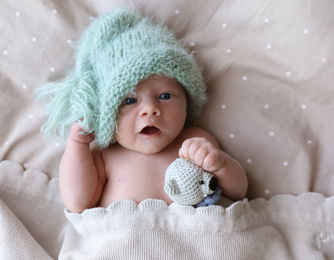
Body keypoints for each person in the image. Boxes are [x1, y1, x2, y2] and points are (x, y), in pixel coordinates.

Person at [37, 9, 248, 213]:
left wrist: (221, 165)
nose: (150, 109)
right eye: (130, 100)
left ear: (187, 100)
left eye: (165, 96)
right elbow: (77, 203)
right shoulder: (105, 156)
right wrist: (78, 144)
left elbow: (238, 192)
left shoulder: (195, 140)